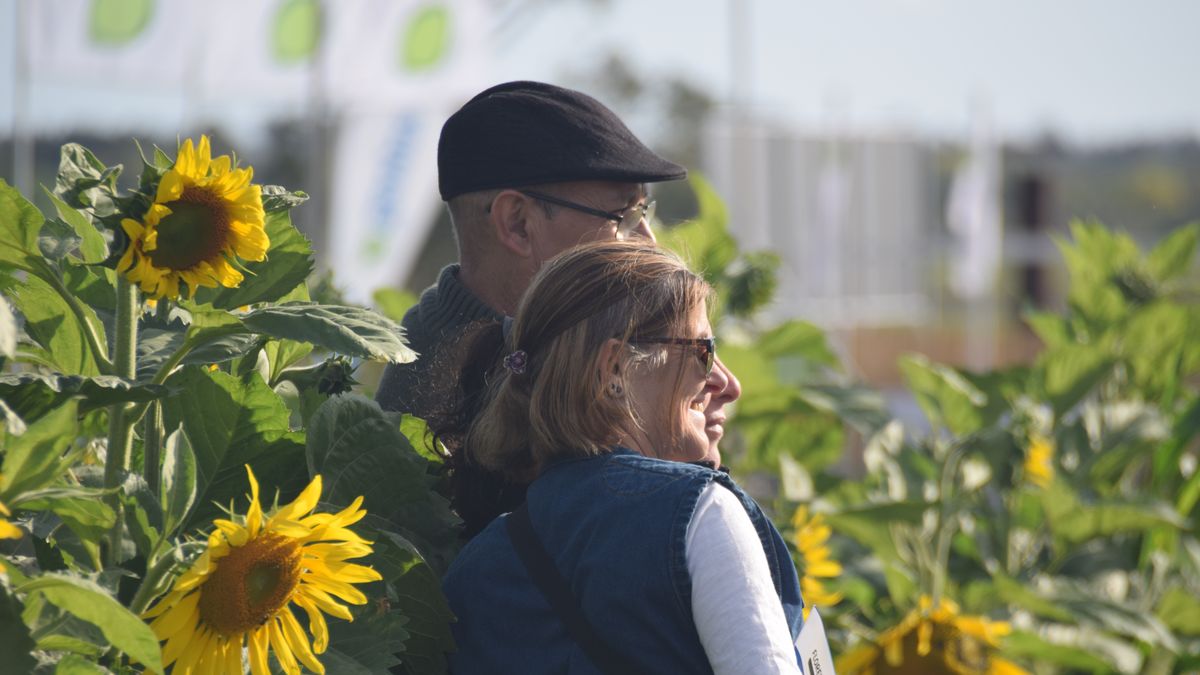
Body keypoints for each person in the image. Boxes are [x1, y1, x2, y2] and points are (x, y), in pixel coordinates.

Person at [375, 80, 741, 536]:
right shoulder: (428, 395)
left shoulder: (580, 340)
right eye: (623, 217)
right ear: (518, 223)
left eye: (645, 213)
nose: (649, 242)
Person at [441, 241, 804, 674]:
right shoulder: (700, 513)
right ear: (616, 368)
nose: (729, 383)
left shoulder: (475, 567)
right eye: (703, 352)